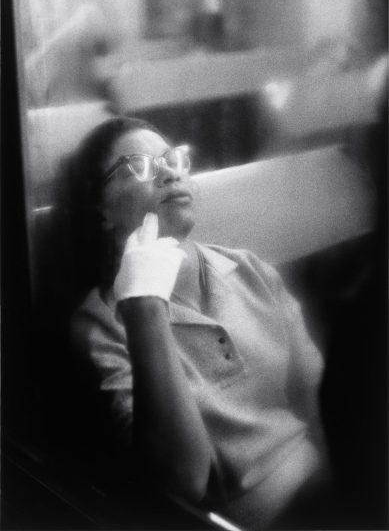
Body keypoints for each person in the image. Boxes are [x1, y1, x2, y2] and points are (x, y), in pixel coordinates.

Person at [69, 116, 331, 530]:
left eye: (173, 159)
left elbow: (321, 402)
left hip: (329, 486)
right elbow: (183, 481)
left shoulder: (248, 268)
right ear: (102, 210)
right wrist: (144, 305)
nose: (170, 171)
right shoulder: (101, 324)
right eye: (140, 165)